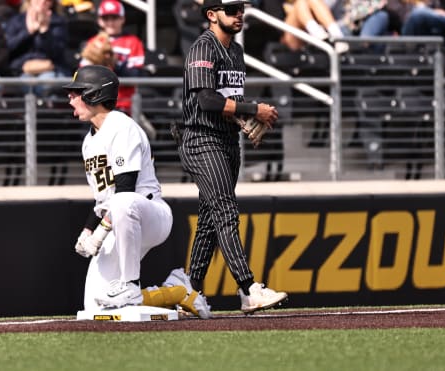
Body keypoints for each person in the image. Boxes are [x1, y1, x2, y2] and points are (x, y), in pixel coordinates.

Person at [63, 65, 210, 318]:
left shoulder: (121, 126)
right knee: (97, 306)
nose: (70, 98)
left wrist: (98, 236)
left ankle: (130, 285)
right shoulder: (89, 141)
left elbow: (125, 190)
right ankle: (176, 291)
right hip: (119, 218)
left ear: (94, 94)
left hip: (149, 214)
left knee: (123, 202)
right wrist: (87, 231)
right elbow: (102, 198)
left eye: (77, 92)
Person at [173, 0, 288, 314]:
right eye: (232, 9)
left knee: (210, 220)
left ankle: (190, 292)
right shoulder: (203, 48)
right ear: (212, 14)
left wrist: (247, 119)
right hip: (199, 138)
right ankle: (249, 289)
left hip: (227, 140)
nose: (240, 14)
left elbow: (228, 100)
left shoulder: (236, 51)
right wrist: (254, 109)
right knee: (226, 210)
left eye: (242, 9)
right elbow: (208, 100)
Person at [79, 0, 145, 114]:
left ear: (122, 19)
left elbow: (136, 76)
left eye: (114, 17)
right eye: (106, 18)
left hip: (124, 104)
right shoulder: (93, 43)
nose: (110, 22)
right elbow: (82, 76)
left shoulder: (133, 42)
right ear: (100, 21)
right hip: (97, 104)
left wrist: (116, 63)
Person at [4, 0, 69, 97]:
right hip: (20, 71)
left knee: (47, 86)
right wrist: (28, 32)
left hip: (50, 70)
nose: (42, 1)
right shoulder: (16, 21)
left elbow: (57, 52)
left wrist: (44, 31)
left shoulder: (58, 22)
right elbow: (7, 49)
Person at [280, 0, 348, 52]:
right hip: (287, 36)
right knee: (300, 2)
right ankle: (317, 34)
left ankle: (337, 36)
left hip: (310, 32)